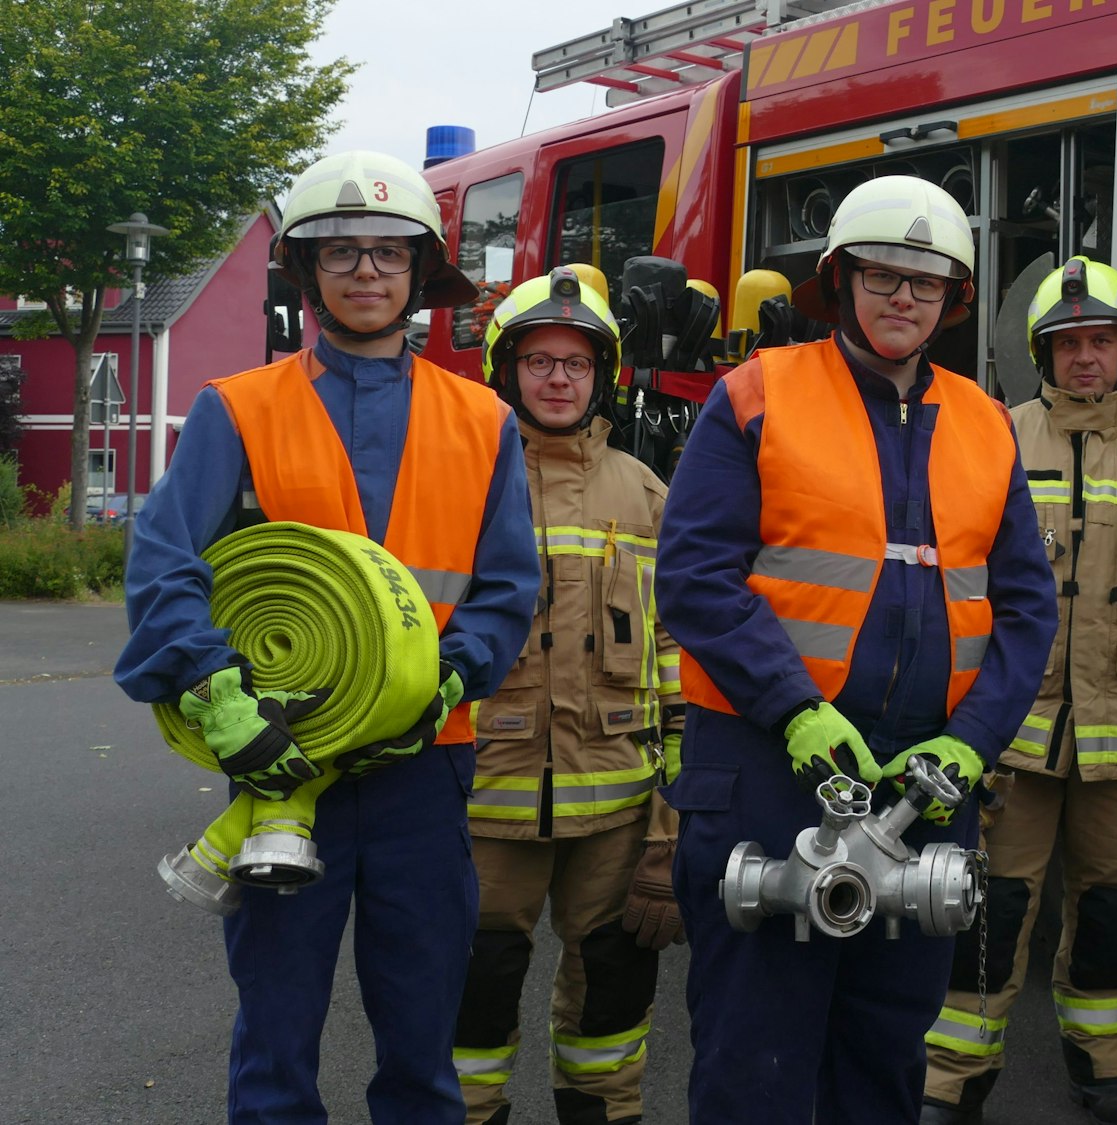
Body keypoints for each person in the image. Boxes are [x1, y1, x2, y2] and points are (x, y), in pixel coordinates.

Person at [114, 150, 540, 1123]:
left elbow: (507, 588)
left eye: (388, 252)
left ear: (420, 272)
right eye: (339, 252)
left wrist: (443, 681)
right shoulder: (237, 407)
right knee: (275, 1047)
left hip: (425, 771)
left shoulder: (484, 421)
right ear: (307, 272)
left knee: (422, 1050)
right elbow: (163, 563)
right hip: (280, 761)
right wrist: (220, 697)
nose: (365, 271)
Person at [654, 174, 1058, 1125]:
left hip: (927, 784)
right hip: (769, 770)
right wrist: (793, 707)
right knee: (754, 1056)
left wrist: (973, 741)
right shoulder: (757, 395)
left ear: (954, 297)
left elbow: (1027, 608)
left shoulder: (987, 423)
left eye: (927, 281)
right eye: (882, 275)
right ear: (840, 279)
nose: (903, 298)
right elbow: (697, 575)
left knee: (885, 1054)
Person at [918, 257, 1117, 1125]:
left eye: (1100, 341)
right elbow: (944, 583)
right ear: (1042, 355)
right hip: (1008, 737)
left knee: (1116, 913)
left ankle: (1103, 1067)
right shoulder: (991, 439)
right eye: (1066, 344)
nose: (1085, 357)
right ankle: (953, 1078)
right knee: (984, 908)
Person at [450, 265, 686, 1125]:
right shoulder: (458, 480)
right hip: (484, 803)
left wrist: (668, 834)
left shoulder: (647, 494)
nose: (559, 379)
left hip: (617, 811)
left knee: (615, 992)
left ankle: (604, 1111)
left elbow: (679, 667)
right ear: (505, 370)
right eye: (540, 361)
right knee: (473, 992)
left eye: (577, 363)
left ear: (602, 376)